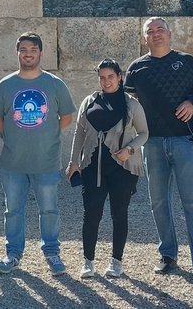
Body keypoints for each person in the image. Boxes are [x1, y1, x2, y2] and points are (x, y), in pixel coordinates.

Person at [123, 16, 193, 285]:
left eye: (160, 29)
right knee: (158, 202)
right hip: (152, 142)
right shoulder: (136, 68)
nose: (156, 34)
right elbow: (128, 101)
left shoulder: (187, 62)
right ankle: (167, 255)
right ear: (144, 38)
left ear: (169, 33)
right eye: (150, 31)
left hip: (184, 141)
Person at [0, 33, 76, 276]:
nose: (28, 53)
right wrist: (15, 135)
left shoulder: (55, 84)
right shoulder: (5, 85)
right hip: (13, 162)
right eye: (24, 49)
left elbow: (67, 117)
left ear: (40, 53)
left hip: (46, 160)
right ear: (17, 53)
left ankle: (52, 253)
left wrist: (45, 134)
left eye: (33, 49)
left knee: (49, 210)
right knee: (13, 211)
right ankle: (13, 254)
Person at [66, 59, 149, 279]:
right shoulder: (89, 101)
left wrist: (129, 149)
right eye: (102, 77)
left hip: (122, 168)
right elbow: (80, 133)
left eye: (110, 77)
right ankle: (88, 262)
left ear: (119, 77)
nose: (106, 81)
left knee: (119, 214)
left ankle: (116, 262)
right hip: (92, 166)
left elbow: (144, 133)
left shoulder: (131, 104)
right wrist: (74, 161)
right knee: (91, 214)